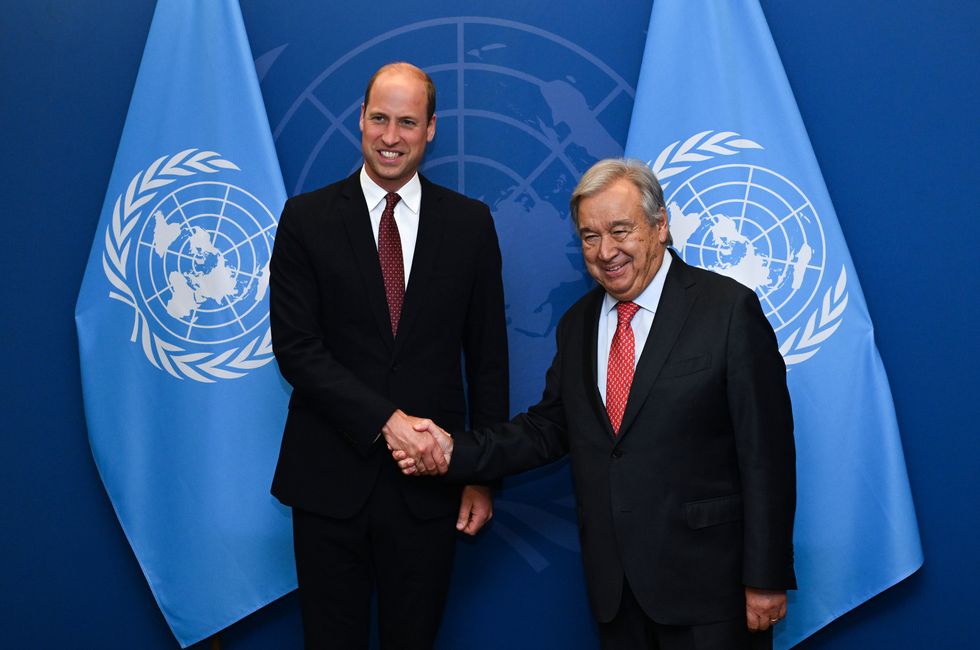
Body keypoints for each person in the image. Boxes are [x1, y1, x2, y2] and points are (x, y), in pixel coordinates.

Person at [397, 159, 796, 650]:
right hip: (616, 595)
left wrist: (765, 576)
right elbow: (548, 429)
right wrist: (453, 451)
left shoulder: (728, 310)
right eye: (589, 236)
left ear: (660, 225)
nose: (606, 252)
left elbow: (766, 456)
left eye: (620, 230)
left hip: (712, 594)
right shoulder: (578, 324)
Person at [269, 62, 508, 649]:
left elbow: (488, 359)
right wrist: (388, 422)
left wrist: (482, 477)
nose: (390, 136)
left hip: (430, 489)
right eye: (379, 118)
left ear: (430, 129)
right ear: (360, 120)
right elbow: (298, 351)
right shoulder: (305, 219)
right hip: (328, 483)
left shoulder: (470, 224)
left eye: (407, 121)